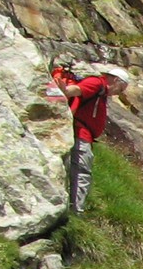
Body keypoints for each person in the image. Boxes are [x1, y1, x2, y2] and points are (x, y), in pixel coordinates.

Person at [49, 63, 130, 214]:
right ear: (116, 81)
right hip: (81, 134)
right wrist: (66, 90)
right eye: (120, 89)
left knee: (78, 170)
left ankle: (73, 207)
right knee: (82, 171)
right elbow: (79, 90)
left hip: (84, 134)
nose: (118, 93)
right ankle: (76, 211)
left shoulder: (102, 90)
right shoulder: (97, 83)